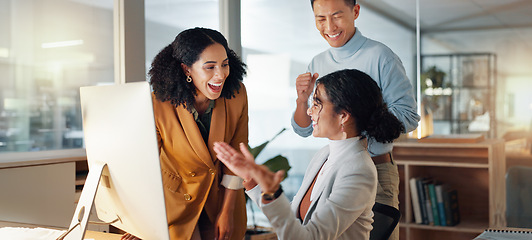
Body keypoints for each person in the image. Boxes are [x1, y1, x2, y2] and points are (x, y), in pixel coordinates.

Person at [214, 69, 405, 240]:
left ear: (343, 116)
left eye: (317, 103)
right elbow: (293, 218)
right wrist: (252, 180)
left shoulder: (359, 171)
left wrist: (273, 191)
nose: (309, 110)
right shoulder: (324, 154)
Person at [292, 1, 420, 239]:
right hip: (330, 168)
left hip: (375, 168)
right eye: (320, 19)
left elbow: (409, 117)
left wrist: (355, 125)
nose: (329, 26)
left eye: (337, 16)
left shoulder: (381, 56)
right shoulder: (317, 63)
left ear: (356, 11)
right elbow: (303, 130)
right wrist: (302, 101)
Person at [123, 28, 248, 240]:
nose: (220, 75)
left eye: (225, 64)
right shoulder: (158, 103)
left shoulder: (236, 94)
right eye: (210, 67)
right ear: (186, 69)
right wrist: (141, 220)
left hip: (220, 198)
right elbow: (144, 167)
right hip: (174, 202)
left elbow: (237, 154)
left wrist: (226, 212)